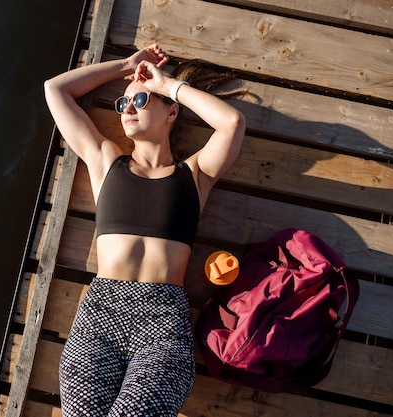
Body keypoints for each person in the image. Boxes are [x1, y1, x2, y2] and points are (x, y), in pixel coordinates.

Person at [44, 44, 246, 416]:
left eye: (138, 98)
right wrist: (127, 66)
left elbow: (231, 123)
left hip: (162, 325)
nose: (127, 109)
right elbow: (55, 90)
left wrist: (168, 85)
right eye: (121, 105)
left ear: (171, 112)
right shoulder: (105, 161)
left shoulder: (195, 173)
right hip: (100, 314)